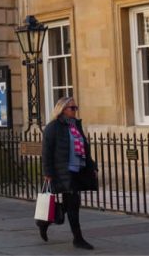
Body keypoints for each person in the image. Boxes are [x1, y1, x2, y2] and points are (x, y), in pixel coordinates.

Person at [39, 97, 98, 250]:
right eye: (72, 108)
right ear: (62, 109)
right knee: (73, 205)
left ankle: (44, 222)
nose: (74, 110)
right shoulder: (53, 127)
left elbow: (85, 148)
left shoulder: (75, 126)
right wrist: (48, 172)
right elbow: (46, 152)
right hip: (63, 171)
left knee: (71, 204)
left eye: (75, 108)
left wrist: (93, 167)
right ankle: (78, 239)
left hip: (78, 170)